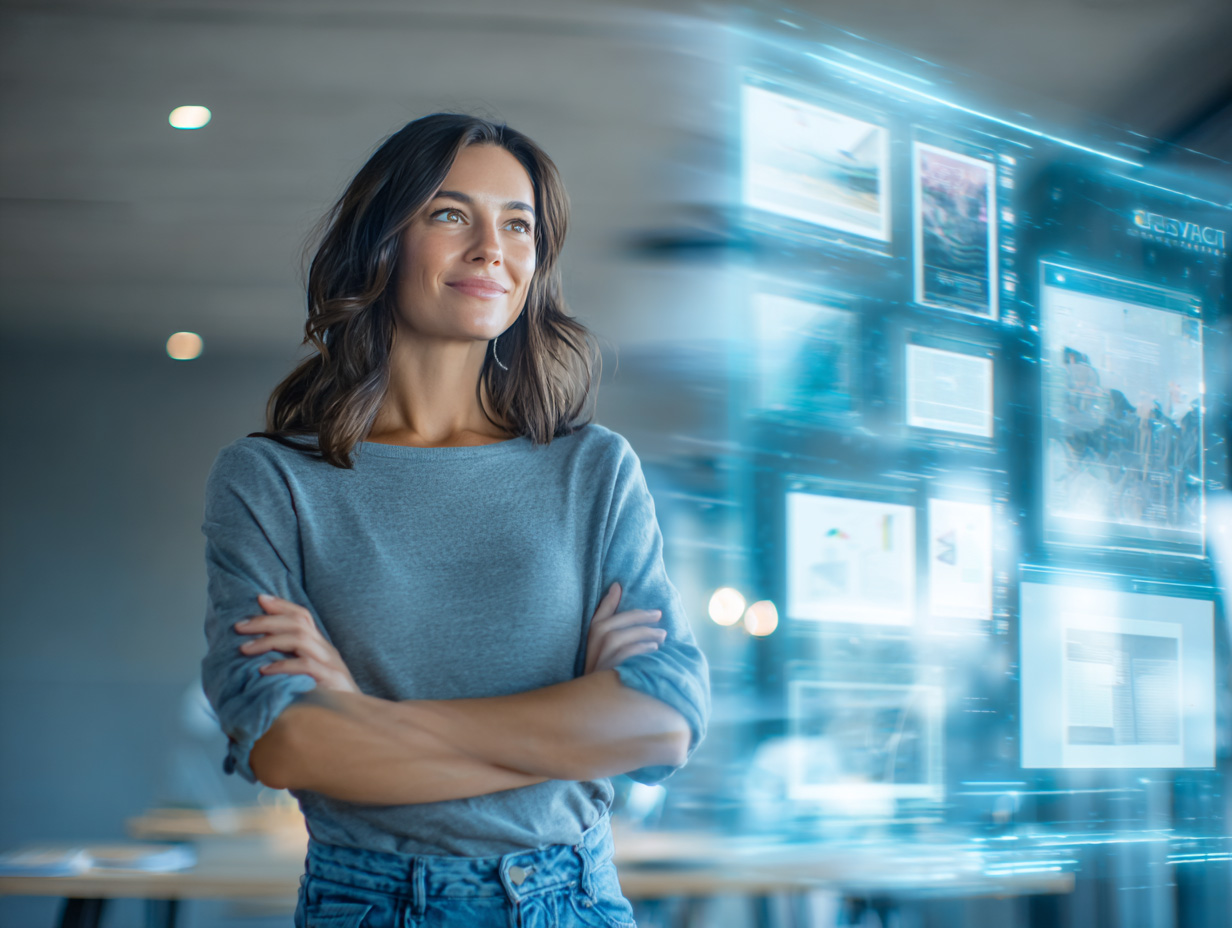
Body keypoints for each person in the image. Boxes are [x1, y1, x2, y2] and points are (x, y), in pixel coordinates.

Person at [199, 113, 711, 928]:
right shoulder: (272, 481)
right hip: (364, 906)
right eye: (449, 214)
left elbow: (661, 725)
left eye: (518, 225)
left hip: (569, 902)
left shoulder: (593, 471)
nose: (491, 249)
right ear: (382, 242)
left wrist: (365, 718)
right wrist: (571, 727)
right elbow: (287, 746)